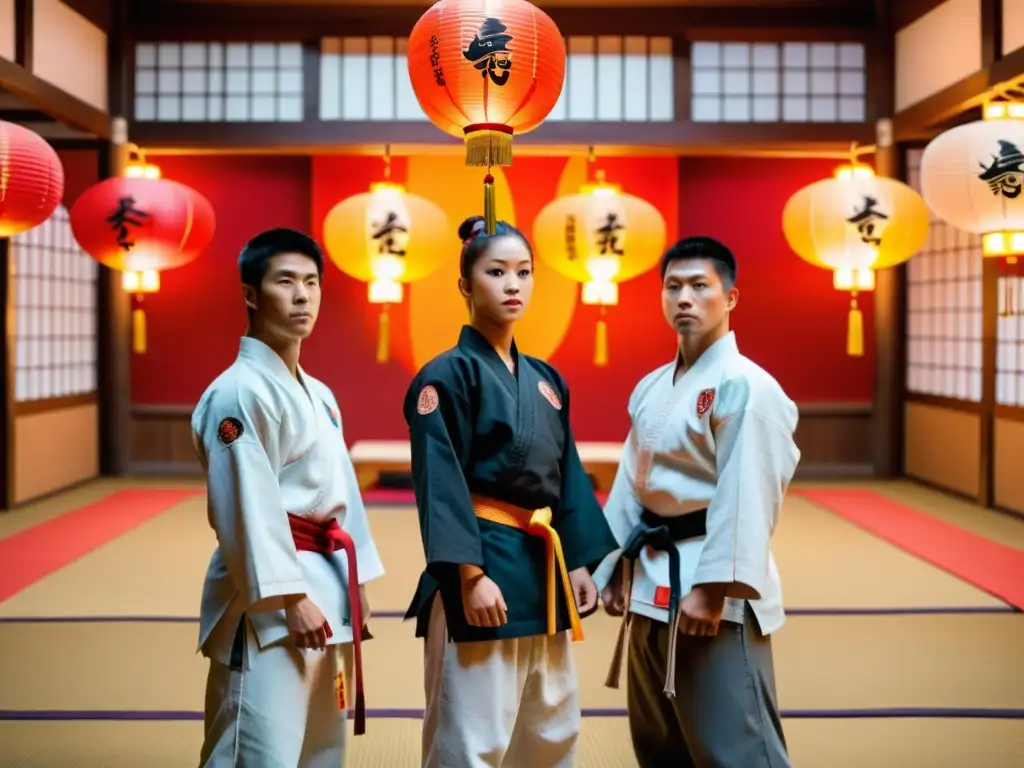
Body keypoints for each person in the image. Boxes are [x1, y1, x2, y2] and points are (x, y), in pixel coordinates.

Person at [403, 216, 618, 768]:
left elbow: (567, 472)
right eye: (496, 272)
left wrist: (577, 563)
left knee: (548, 730)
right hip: (482, 567)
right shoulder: (443, 378)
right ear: (465, 285)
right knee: (471, 734)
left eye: (523, 272)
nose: (513, 284)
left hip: (541, 572)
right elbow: (440, 482)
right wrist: (468, 576)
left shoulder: (546, 379)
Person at [594, 236, 798, 768]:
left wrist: (714, 590)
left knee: (734, 744)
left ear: (730, 298)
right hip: (651, 581)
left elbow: (748, 493)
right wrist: (611, 563)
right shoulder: (652, 386)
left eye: (699, 285)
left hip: (711, 589)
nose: (684, 297)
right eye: (673, 286)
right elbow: (628, 486)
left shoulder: (746, 386)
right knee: (661, 744)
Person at [192, 227, 385, 767]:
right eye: (286, 282)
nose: (303, 295)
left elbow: (342, 488)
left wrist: (358, 580)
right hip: (271, 603)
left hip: (325, 585)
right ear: (251, 294)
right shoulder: (237, 392)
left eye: (312, 282)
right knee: (256, 747)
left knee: (320, 747)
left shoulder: (319, 393)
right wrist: (288, 596)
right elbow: (244, 507)